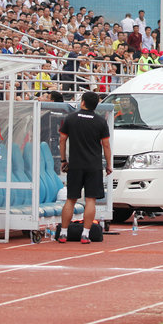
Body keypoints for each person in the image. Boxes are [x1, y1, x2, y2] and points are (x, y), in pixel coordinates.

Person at [56, 91, 112, 244]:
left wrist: (63, 160)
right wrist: (109, 164)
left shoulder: (71, 118)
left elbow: (62, 140)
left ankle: (63, 233)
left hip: (75, 164)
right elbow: (106, 145)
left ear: (82, 103)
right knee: (90, 200)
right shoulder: (100, 121)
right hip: (93, 165)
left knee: (71, 199)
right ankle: (86, 234)